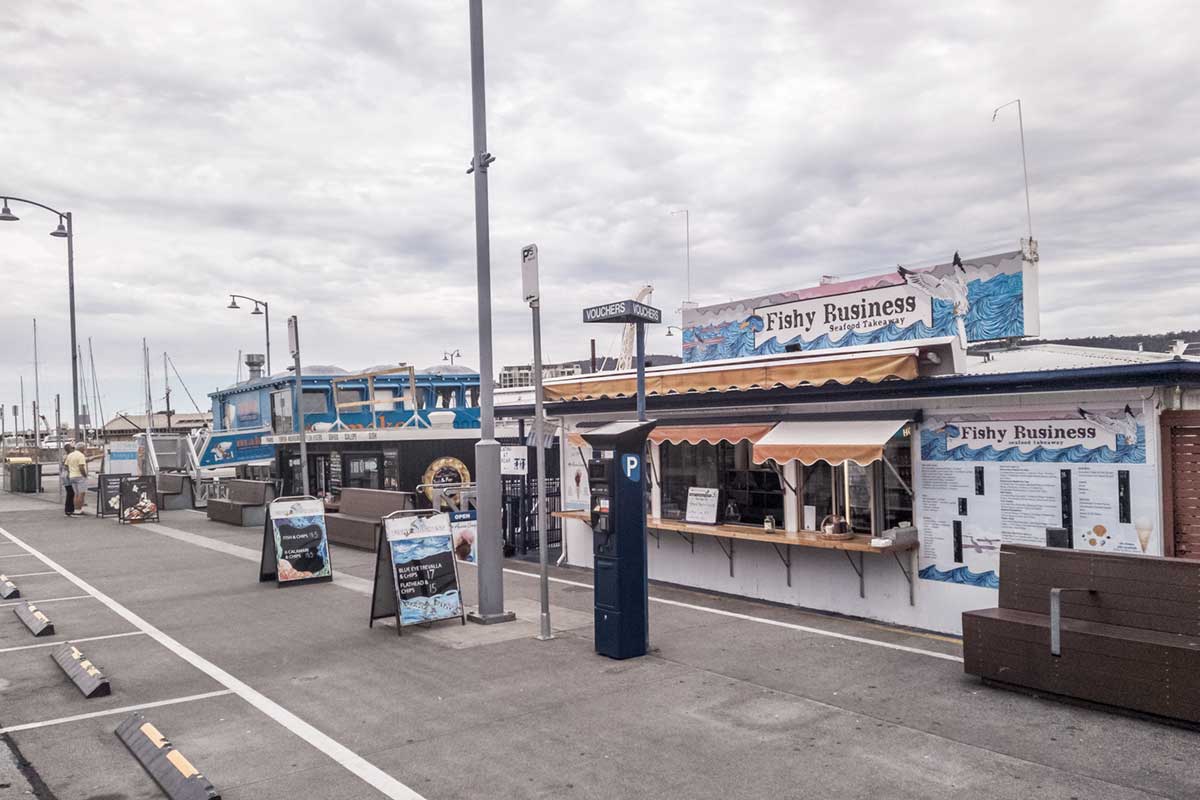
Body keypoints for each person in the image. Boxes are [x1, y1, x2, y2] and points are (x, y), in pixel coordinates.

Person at [63, 443, 89, 516]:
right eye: (84, 448)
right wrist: (85, 475)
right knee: (81, 494)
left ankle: (75, 509)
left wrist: (71, 471)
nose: (85, 449)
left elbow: (65, 466)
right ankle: (78, 510)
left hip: (72, 476)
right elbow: (81, 467)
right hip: (80, 476)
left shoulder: (70, 455)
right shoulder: (81, 455)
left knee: (76, 494)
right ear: (81, 448)